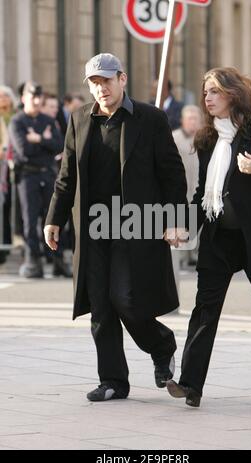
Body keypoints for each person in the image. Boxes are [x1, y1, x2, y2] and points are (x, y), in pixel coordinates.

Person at [44, 53, 188, 402]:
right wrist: (54, 218)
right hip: (92, 228)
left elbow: (172, 173)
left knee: (126, 299)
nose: (100, 88)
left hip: (135, 225)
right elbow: (67, 178)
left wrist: (175, 220)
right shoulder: (79, 119)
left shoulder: (151, 119)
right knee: (100, 305)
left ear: (122, 79)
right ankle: (112, 380)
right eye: (94, 82)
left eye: (106, 80)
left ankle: (161, 344)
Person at [166, 67, 251, 408]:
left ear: (233, 93)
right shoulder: (207, 139)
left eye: (215, 91)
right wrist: (182, 225)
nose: (208, 98)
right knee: (205, 309)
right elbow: (202, 192)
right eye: (205, 92)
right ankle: (190, 385)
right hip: (219, 237)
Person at [9, 81, 71, 278]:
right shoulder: (18, 121)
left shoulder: (47, 120)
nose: (36, 101)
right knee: (30, 219)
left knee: (52, 217)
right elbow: (24, 151)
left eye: (39, 97)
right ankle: (32, 259)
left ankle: (57, 259)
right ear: (24, 98)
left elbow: (59, 145)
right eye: (32, 97)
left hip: (47, 172)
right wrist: (44, 143)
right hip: (28, 175)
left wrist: (39, 139)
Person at [173, 105, 203, 267]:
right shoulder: (174, 138)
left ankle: (196, 255)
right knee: (182, 221)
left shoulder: (204, 138)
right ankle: (183, 257)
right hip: (182, 189)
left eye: (195, 118)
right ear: (182, 121)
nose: (192, 122)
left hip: (199, 188)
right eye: (189, 118)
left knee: (198, 222)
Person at [0, 86, 17, 264]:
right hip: (2, 166)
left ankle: (9, 241)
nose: (3, 99)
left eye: (5, 96)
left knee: (11, 206)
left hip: (13, 167)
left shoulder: (15, 116)